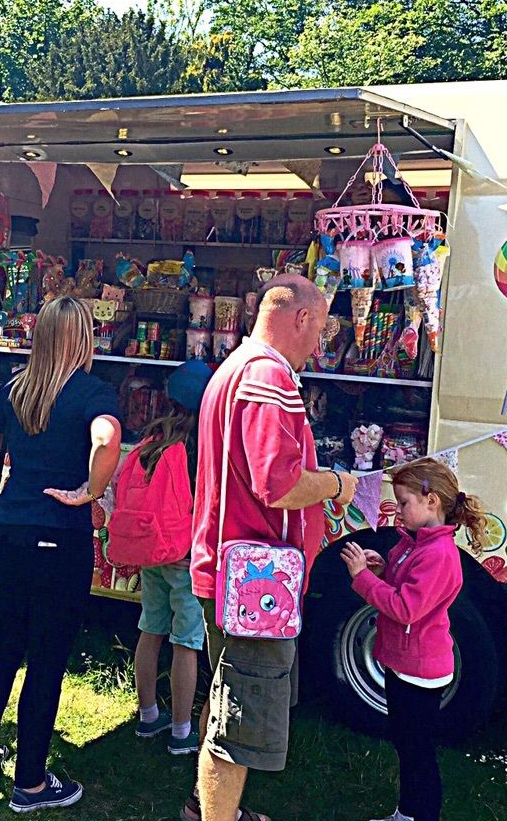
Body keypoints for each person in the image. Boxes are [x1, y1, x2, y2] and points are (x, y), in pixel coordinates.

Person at [187, 274, 358, 821]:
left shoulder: (234, 368)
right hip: (255, 578)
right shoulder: (270, 377)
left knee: (229, 700)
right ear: (302, 318)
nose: (322, 341)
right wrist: (335, 482)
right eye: (322, 326)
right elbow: (278, 485)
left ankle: (213, 808)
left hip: (235, 569)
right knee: (239, 719)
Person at [0, 296, 122, 813]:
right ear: (83, 339)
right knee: (47, 660)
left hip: (10, 532)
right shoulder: (92, 392)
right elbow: (107, 438)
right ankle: (31, 784)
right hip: (59, 539)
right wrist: (89, 491)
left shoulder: (17, 388)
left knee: (3, 646)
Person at [341, 459, 488, 821]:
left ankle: (422, 814)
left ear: (432, 501)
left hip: (420, 671)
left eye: (404, 503)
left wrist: (362, 578)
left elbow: (406, 608)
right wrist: (380, 569)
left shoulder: (439, 555)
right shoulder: (415, 544)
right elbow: (401, 585)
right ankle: (406, 812)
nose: (399, 511)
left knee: (418, 751)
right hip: (402, 663)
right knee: (406, 745)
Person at [111, 359, 213, 757]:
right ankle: (182, 730)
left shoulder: (153, 440)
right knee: (186, 642)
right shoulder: (199, 447)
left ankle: (148, 714)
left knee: (150, 630)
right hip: (185, 555)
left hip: (151, 550)